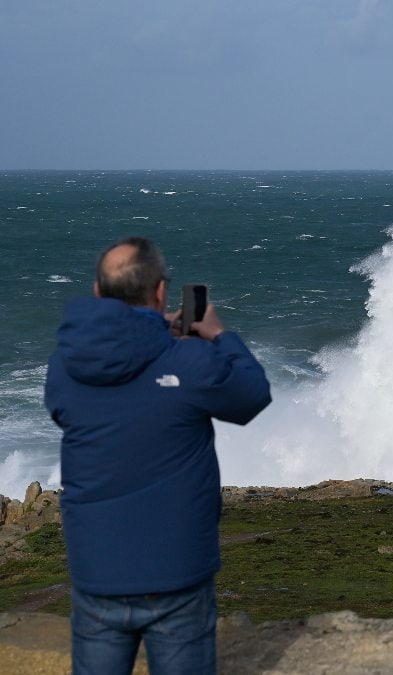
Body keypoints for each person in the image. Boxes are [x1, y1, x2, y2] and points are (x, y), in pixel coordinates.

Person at [45, 237, 272, 673]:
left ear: (98, 292)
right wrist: (218, 335)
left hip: (97, 572)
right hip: (176, 573)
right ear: (161, 292)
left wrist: (150, 340)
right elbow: (251, 396)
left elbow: (67, 412)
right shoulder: (187, 360)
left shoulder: (64, 365)